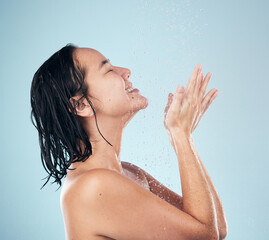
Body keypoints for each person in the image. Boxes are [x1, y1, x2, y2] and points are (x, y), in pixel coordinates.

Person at [30, 44, 227, 240]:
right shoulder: (93, 186)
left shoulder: (129, 172)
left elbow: (217, 227)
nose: (126, 72)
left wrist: (182, 138)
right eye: (108, 70)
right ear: (81, 105)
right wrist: (181, 135)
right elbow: (206, 237)